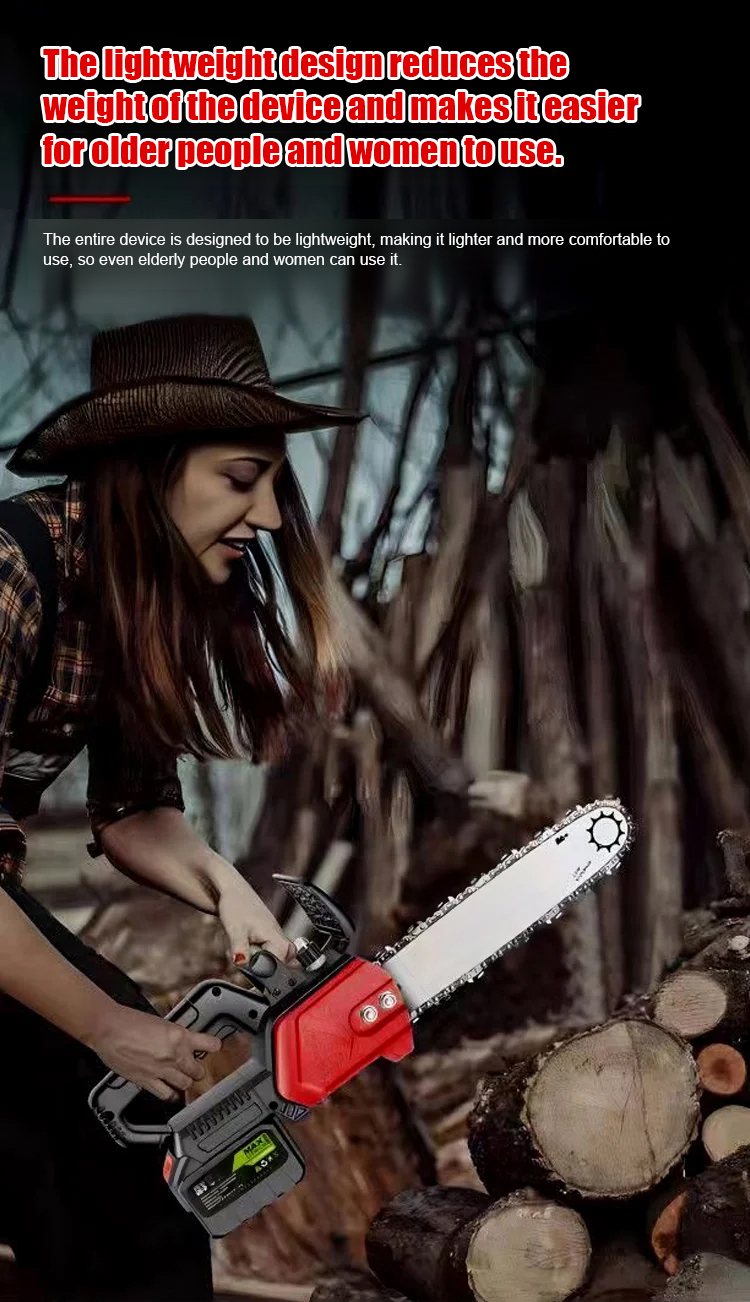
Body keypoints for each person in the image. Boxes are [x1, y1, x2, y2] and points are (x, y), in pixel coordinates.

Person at [0, 313, 361, 1302]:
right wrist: (100, 1024)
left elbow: (133, 812)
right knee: (98, 1088)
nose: (269, 517)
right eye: (241, 480)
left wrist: (227, 892)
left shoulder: (130, 596)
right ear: (146, 471)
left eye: (275, 487)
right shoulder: (11, 570)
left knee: (118, 1153)